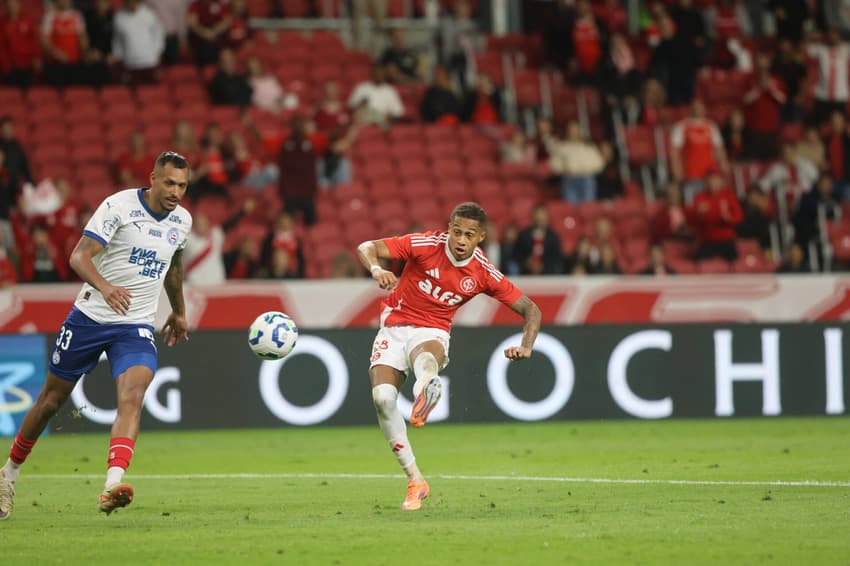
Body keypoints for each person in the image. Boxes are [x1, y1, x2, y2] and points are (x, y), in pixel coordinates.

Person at [0, 151, 193, 520]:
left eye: (182, 185)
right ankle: (8, 474)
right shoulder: (118, 206)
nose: (175, 192)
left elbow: (173, 268)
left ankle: (111, 485)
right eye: (169, 182)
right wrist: (105, 287)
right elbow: (79, 256)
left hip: (135, 325)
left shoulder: (181, 221)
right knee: (50, 402)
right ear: (152, 178)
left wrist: (179, 312)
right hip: (89, 317)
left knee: (133, 395)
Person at [356, 202, 541, 511]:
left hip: (433, 330)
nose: (460, 240)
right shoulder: (425, 244)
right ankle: (416, 480)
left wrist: (527, 345)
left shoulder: (482, 272)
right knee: (383, 400)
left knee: (425, 360)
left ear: (481, 237)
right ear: (449, 228)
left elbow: (530, 310)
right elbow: (366, 247)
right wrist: (377, 268)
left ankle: (429, 386)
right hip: (393, 327)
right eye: (456, 232)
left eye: (469, 235)